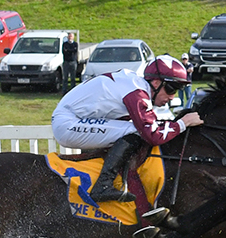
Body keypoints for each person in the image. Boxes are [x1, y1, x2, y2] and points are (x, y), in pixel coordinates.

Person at [51, 56, 199, 205]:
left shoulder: (136, 86)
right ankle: (103, 185)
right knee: (135, 131)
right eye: (170, 89)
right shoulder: (137, 92)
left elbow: (153, 125)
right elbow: (152, 135)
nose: (172, 97)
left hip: (73, 119)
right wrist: (183, 123)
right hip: (67, 123)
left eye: (176, 91)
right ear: (156, 82)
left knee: (135, 130)